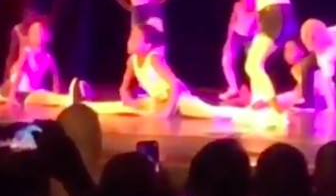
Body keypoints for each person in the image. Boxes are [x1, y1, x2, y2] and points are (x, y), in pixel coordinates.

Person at [74, 24, 255, 123]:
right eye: (131, 37)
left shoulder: (154, 59)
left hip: (179, 99)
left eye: (135, 38)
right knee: (118, 107)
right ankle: (83, 104)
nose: (129, 40)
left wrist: (167, 111)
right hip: (158, 99)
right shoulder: (132, 61)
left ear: (147, 45)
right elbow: (124, 88)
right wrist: (128, 99)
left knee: (212, 113)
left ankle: (255, 113)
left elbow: (174, 85)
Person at [220, 0, 297, 127]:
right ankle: (258, 103)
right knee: (257, 61)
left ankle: (276, 110)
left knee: (252, 65)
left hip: (272, 15)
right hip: (287, 16)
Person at [1, 17, 62, 106]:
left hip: (34, 89)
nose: (39, 36)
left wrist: (56, 94)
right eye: (36, 33)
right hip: (19, 85)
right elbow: (19, 73)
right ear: (30, 36)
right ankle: (6, 90)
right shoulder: (27, 53)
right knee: (15, 77)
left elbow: (55, 76)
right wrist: (11, 95)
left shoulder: (48, 58)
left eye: (41, 33)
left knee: (41, 93)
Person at [219, 0, 256, 101]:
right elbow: (232, 23)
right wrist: (228, 41)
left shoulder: (258, 9)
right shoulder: (238, 6)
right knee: (226, 60)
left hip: (250, 37)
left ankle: (256, 91)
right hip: (237, 35)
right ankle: (233, 88)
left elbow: (259, 26)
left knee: (253, 65)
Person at [3, 8, 39, 82]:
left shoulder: (37, 30)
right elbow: (12, 53)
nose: (29, 17)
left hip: (34, 66)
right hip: (20, 65)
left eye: (32, 14)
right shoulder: (17, 30)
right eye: (27, 14)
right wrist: (7, 75)